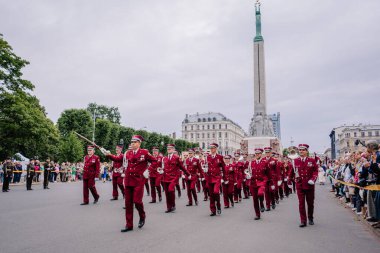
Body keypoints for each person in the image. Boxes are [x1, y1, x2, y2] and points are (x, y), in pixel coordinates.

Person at [121, 135, 157, 232]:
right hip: (128, 180)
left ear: (139, 143)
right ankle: (129, 225)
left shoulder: (144, 152)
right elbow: (120, 160)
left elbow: (155, 161)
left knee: (137, 201)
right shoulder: (127, 153)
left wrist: (148, 170)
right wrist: (108, 154)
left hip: (138, 181)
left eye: (135, 142)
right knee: (128, 204)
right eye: (131, 142)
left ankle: (142, 215)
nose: (132, 144)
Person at [288, 144, 318, 227]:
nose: (301, 151)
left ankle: (310, 217)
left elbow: (315, 171)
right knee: (301, 203)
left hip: (309, 185)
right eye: (300, 150)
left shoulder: (312, 161)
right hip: (300, 184)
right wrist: (289, 181)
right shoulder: (295, 161)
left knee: (310, 203)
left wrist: (313, 179)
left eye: (303, 150)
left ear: (306, 151)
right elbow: (291, 172)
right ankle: (303, 220)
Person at [162, 144, 189, 213]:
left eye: (170, 148)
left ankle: (173, 205)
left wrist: (187, 173)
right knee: (167, 193)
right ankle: (169, 207)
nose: (169, 149)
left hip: (173, 177)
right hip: (166, 177)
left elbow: (181, 167)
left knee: (171, 190)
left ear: (173, 150)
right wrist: (161, 170)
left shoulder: (176, 158)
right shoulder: (164, 158)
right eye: (168, 148)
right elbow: (163, 168)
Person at [205, 143, 225, 216]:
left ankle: (218, 205)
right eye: (211, 148)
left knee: (216, 192)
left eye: (213, 148)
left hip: (217, 177)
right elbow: (206, 166)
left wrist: (224, 178)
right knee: (211, 195)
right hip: (210, 178)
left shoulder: (220, 157)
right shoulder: (208, 157)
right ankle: (213, 210)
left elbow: (223, 167)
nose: (212, 149)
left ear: (216, 149)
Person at [249, 148, 269, 220]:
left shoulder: (265, 162)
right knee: (255, 199)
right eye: (256, 153)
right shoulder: (252, 162)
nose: (257, 155)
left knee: (260, 193)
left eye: (259, 153)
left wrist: (270, 183)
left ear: (261, 154)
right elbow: (249, 172)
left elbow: (268, 173)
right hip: (253, 182)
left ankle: (262, 203)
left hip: (262, 181)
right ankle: (257, 214)